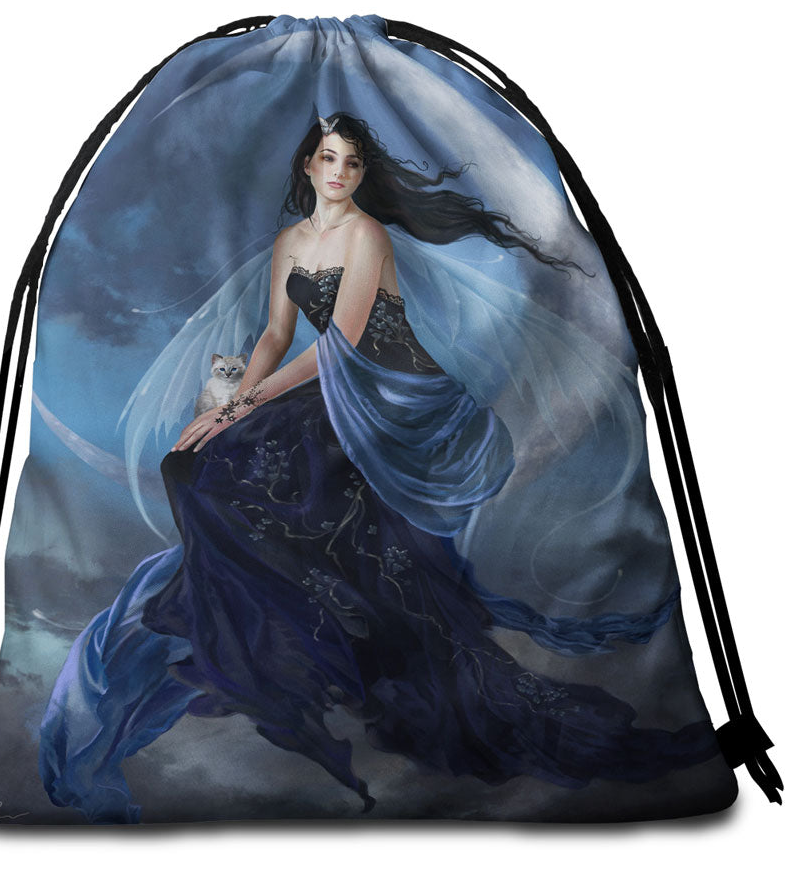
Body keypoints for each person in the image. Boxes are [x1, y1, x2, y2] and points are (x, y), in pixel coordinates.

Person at [40, 112, 720, 823]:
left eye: (353, 162)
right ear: (308, 165)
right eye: (329, 158)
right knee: (189, 466)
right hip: (328, 385)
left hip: (392, 389)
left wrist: (239, 409)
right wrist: (226, 408)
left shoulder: (367, 235)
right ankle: (270, 622)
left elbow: (341, 344)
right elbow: (275, 334)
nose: (340, 173)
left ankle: (319, 621)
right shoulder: (290, 242)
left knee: (263, 464)